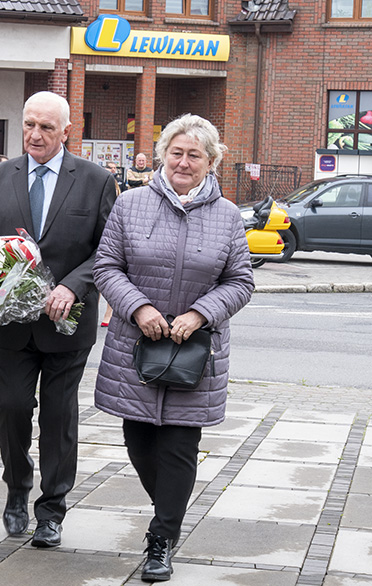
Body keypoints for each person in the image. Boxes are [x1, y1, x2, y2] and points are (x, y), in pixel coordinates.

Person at [93, 114, 254, 582]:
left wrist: (200, 313)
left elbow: (240, 281)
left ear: (211, 162)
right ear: (163, 154)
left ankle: (161, 539)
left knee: (180, 448)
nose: (184, 162)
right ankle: (168, 509)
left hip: (195, 355)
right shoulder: (131, 205)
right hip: (136, 351)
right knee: (139, 443)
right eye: (177, 152)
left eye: (195, 155)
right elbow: (106, 267)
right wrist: (139, 308)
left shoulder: (226, 215)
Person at [0, 91, 117, 548]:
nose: (35, 134)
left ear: (66, 132)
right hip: (11, 325)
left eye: (46, 128)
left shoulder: (95, 180)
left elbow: (108, 249)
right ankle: (17, 487)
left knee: (58, 417)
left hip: (67, 326)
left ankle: (51, 509)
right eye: (29, 124)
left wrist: (73, 285)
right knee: (11, 409)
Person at [101, 160, 122, 328]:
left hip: (112, 233)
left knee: (110, 274)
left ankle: (109, 312)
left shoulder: (117, 189)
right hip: (99, 233)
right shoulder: (96, 186)